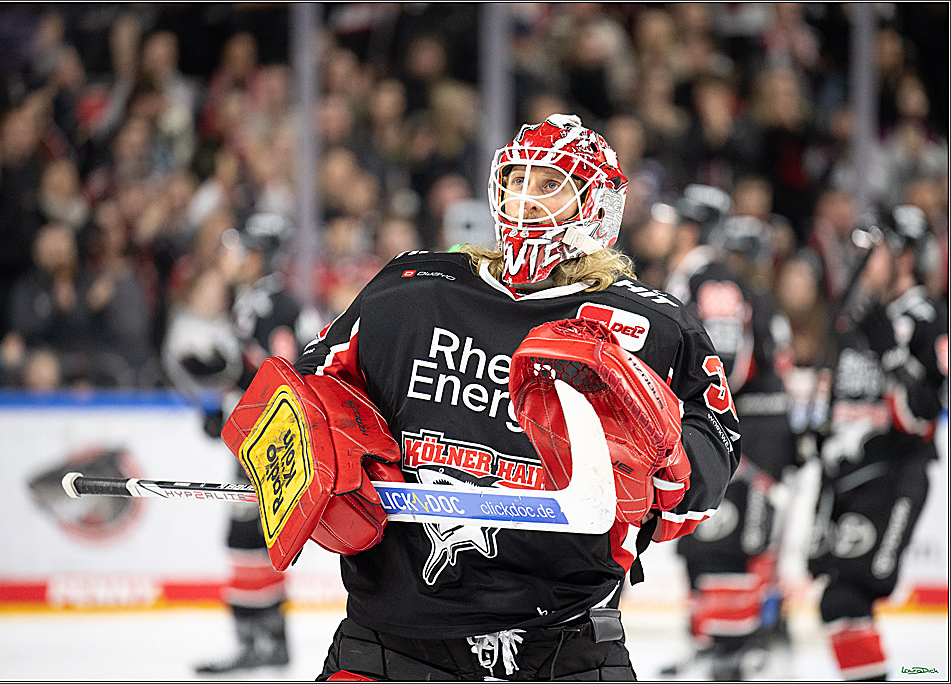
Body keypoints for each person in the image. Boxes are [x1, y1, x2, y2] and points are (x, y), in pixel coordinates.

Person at [265, 114, 739, 681]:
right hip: (394, 640)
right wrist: (326, 446)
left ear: (598, 205)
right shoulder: (411, 290)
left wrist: (667, 469)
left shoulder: (650, 327)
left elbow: (715, 446)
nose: (525, 200)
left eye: (550, 184)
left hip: (563, 645)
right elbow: (308, 387)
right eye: (517, 180)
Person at [658, 185, 800, 680]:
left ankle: (734, 647)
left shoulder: (713, 279)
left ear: (690, 229)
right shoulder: (697, 275)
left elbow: (724, 367)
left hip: (743, 432)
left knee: (725, 537)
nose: (662, 230)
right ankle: (715, 639)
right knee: (701, 538)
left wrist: (685, 409)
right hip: (727, 426)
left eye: (672, 221)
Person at [162, 212, 307, 674]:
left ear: (263, 254)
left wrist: (227, 382)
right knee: (261, 536)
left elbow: (278, 373)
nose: (235, 255)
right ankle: (271, 639)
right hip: (271, 433)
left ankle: (256, 640)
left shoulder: (264, 304)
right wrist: (223, 398)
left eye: (245, 248)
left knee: (247, 536)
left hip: (267, 436)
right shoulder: (269, 300)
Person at [808, 204, 947, 681]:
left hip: (894, 476)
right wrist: (820, 432)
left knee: (845, 598)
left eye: (878, 249)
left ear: (905, 256)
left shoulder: (928, 319)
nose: (864, 259)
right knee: (836, 602)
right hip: (848, 477)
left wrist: (891, 352)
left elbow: (922, 414)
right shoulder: (864, 314)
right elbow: (846, 392)